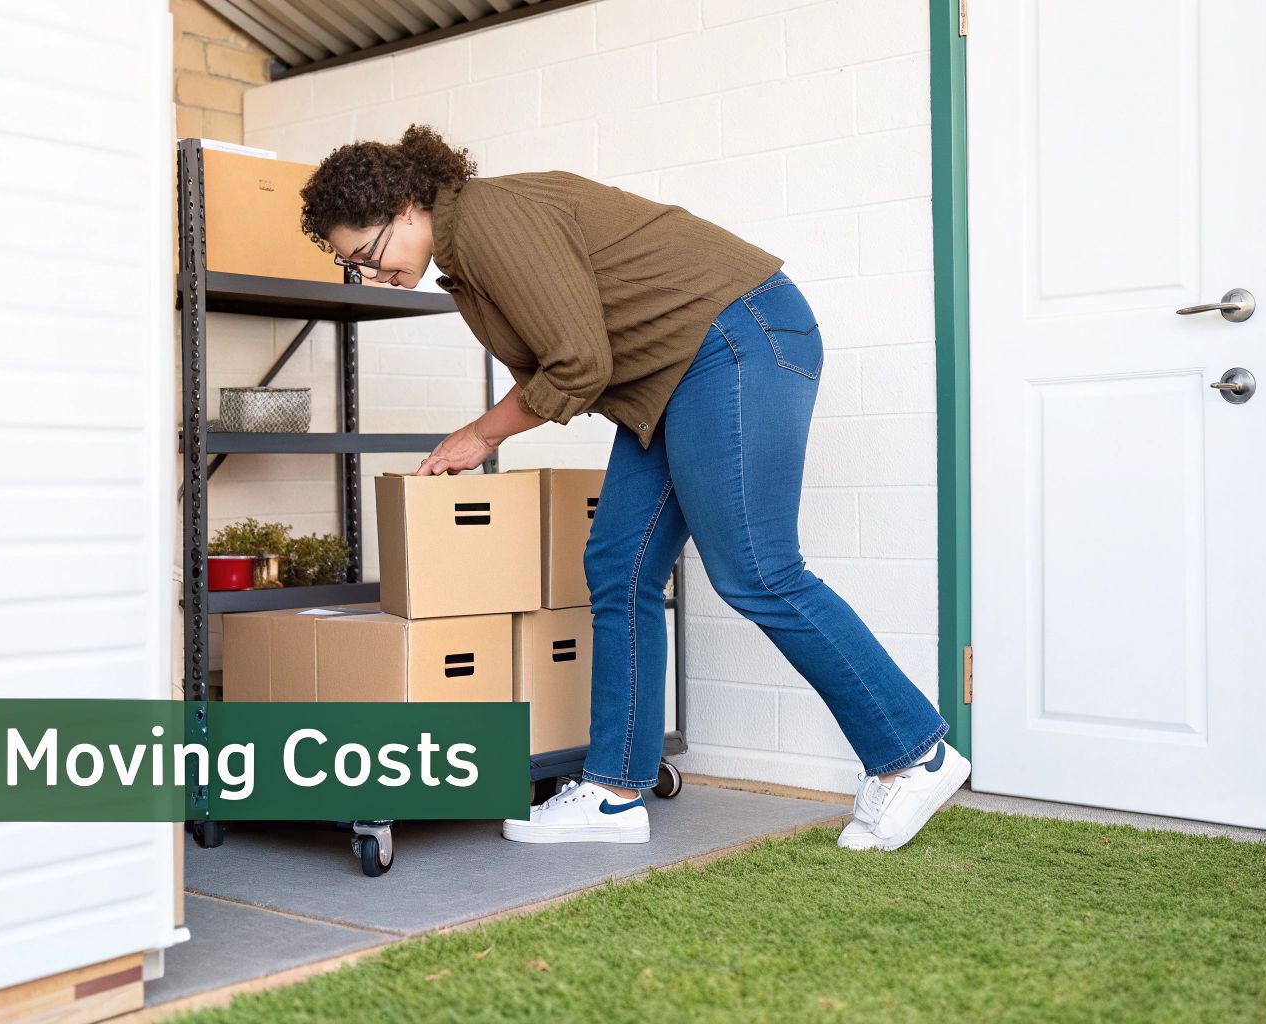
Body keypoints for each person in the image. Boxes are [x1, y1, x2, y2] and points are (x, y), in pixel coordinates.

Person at [298, 124, 968, 852]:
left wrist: (482, 435)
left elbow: (578, 363)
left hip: (734, 339)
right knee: (619, 566)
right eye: (352, 265)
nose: (368, 272)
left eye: (367, 254)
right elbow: (566, 360)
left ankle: (913, 754)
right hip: (675, 372)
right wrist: (486, 430)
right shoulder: (464, 262)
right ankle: (614, 793)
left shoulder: (490, 218)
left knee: (758, 569)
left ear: (404, 207)